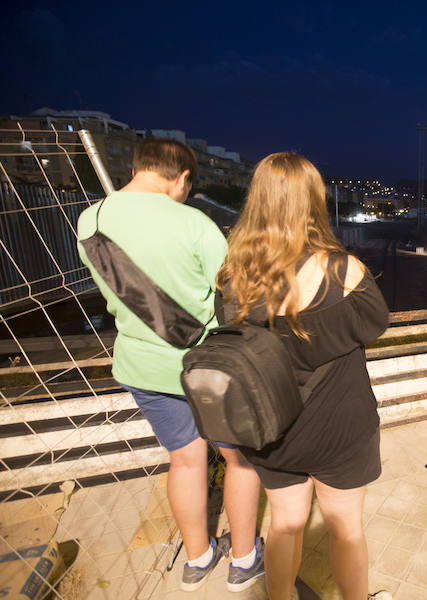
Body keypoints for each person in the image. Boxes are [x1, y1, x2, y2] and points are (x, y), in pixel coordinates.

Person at [76, 139, 263, 592]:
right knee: (239, 461)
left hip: (141, 365)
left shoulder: (90, 220)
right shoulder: (194, 224)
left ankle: (197, 558)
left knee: (184, 460)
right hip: (206, 367)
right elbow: (232, 297)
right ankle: (243, 561)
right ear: (181, 178)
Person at [216, 152, 392, 600]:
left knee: (285, 525)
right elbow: (374, 324)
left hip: (273, 430)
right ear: (315, 201)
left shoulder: (234, 277)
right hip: (341, 426)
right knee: (346, 530)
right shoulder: (343, 269)